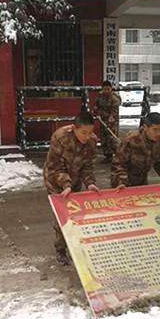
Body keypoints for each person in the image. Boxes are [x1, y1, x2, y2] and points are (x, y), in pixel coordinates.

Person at [43, 112, 100, 266]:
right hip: (56, 180)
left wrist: (90, 183)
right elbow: (55, 167)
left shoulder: (92, 141)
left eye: (90, 132)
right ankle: (61, 249)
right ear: (75, 128)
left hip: (75, 179)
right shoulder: (60, 137)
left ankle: (74, 245)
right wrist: (66, 185)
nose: (87, 136)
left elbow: (88, 166)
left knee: (76, 214)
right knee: (62, 215)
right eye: (83, 132)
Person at [111, 112, 160, 188]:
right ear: (145, 127)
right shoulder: (131, 139)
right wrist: (121, 182)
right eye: (155, 130)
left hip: (141, 180)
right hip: (122, 182)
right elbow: (119, 164)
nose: (158, 133)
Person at [94, 80, 121, 163]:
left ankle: (117, 155)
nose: (106, 91)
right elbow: (96, 105)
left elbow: (114, 112)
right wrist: (95, 109)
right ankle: (107, 156)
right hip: (102, 119)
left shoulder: (114, 98)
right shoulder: (100, 95)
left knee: (112, 138)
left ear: (111, 89)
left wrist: (111, 118)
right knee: (104, 138)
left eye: (108, 89)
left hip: (112, 121)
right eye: (105, 89)